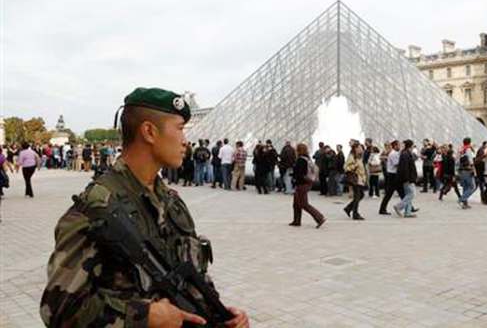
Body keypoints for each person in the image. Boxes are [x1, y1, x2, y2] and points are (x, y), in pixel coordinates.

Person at [39, 87, 249, 328]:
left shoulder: (171, 201)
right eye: (180, 128)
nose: (185, 140)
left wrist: (219, 312)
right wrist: (143, 316)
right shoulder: (96, 210)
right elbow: (59, 310)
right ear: (149, 131)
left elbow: (190, 274)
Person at [289, 143, 326, 228]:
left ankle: (319, 218)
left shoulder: (300, 160)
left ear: (298, 150)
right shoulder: (307, 159)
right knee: (296, 203)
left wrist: (294, 176)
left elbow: (300, 174)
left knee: (303, 204)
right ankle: (296, 221)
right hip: (306, 183)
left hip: (302, 184)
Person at [394, 139, 418, 218]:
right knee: (411, 194)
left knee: (409, 195)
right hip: (407, 178)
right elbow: (405, 168)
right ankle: (398, 206)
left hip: (408, 178)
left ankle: (407, 213)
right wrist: (407, 179)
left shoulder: (406, 153)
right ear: (410, 146)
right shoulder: (405, 154)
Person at [343, 143, 367, 220]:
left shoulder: (359, 157)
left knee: (361, 195)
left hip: (360, 179)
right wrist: (355, 165)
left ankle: (348, 208)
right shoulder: (352, 156)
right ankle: (355, 214)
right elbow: (346, 167)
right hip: (356, 179)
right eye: (360, 148)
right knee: (357, 196)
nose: (362, 149)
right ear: (356, 148)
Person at [457, 138, 477, 209]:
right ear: (469, 142)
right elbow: (471, 161)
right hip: (468, 170)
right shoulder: (468, 149)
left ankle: (465, 204)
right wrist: (474, 170)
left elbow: (457, 161)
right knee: (472, 187)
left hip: (461, 170)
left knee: (465, 187)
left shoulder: (461, 150)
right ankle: (461, 199)